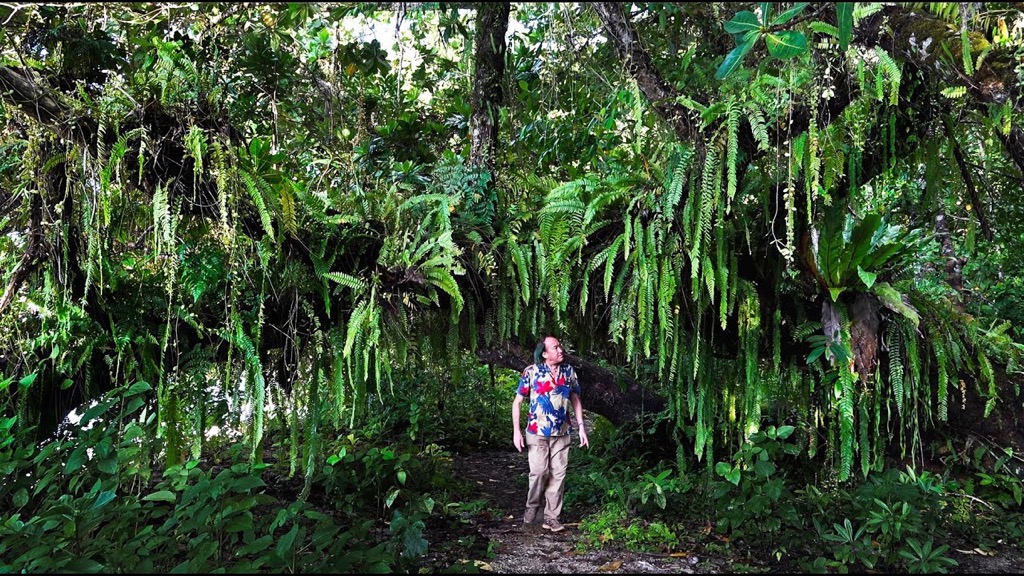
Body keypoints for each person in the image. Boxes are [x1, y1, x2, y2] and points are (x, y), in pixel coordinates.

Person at [512, 335, 589, 533]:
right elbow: (518, 402)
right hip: (537, 432)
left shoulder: (568, 371)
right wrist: (516, 431)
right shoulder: (531, 372)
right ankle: (532, 508)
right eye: (555, 347)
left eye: (560, 346)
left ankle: (551, 517)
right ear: (545, 353)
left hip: (561, 432)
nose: (560, 350)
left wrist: (581, 426)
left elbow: (575, 398)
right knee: (538, 472)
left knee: (558, 475)